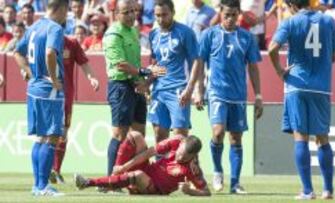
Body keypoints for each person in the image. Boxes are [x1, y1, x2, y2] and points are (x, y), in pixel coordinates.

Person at [268, 0, 335, 200]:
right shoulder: (327, 21)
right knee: (323, 138)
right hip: (322, 87)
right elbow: (334, 56)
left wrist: (280, 71)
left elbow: (272, 48)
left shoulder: (290, 22)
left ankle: (308, 190)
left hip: (297, 85)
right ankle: (328, 190)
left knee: (301, 137)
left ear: (291, 4)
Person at [195, 0, 263, 194]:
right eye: (227, 15)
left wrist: (258, 95)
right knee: (218, 132)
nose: (230, 18)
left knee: (236, 138)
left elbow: (253, 66)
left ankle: (235, 183)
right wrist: (199, 90)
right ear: (220, 14)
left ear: (239, 14)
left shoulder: (246, 38)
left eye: (234, 15)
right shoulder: (209, 35)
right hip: (216, 92)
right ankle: (217, 171)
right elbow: (199, 63)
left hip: (238, 95)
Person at [102, 0, 165, 177]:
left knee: (138, 135)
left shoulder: (133, 31)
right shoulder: (113, 34)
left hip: (136, 86)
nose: (131, 16)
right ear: (116, 14)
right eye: (126, 12)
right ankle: (110, 180)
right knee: (119, 134)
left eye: (133, 11)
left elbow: (135, 63)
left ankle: (134, 177)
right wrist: (145, 71)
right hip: (121, 86)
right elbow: (121, 65)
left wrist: (143, 84)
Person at [14, 0, 69, 196]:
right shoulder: (55, 28)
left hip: (34, 88)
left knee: (40, 137)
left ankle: (37, 186)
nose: (67, 16)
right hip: (49, 91)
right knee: (52, 136)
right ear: (62, 8)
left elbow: (17, 53)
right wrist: (54, 80)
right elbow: (49, 53)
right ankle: (44, 186)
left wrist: (30, 73)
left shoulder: (34, 26)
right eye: (67, 11)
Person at [74, 131, 211, 196]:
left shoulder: (194, 168)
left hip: (155, 189)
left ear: (193, 156)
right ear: (181, 143)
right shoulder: (177, 140)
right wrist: (123, 167)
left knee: (138, 175)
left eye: (185, 157)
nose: (180, 157)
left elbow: (206, 192)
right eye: (180, 153)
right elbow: (149, 152)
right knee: (135, 136)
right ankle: (112, 181)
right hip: (148, 170)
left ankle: (88, 183)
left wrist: (191, 191)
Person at [147, 0, 202, 145]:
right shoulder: (153, 35)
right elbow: (155, 64)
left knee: (179, 139)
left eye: (164, 15)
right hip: (158, 91)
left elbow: (196, 61)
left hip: (179, 91)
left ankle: (182, 168)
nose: (160, 19)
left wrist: (191, 89)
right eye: (157, 15)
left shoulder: (185, 32)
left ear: (173, 13)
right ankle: (161, 168)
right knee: (159, 136)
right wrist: (147, 84)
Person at [49, 35, 100, 184]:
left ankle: (56, 171)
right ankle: (46, 171)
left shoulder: (71, 43)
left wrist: (92, 77)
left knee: (63, 133)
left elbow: (84, 63)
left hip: (65, 94)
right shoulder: (44, 39)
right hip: (46, 93)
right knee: (47, 132)